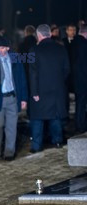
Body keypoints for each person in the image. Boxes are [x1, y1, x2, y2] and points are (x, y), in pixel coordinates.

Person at [0, 36, 28, 161]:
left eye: (3, 48)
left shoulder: (16, 58)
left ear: (8, 47)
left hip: (12, 97)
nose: (0, 51)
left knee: (11, 127)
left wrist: (23, 98)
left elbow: (22, 79)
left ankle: (9, 153)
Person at [29, 24, 70, 152]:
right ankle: (57, 141)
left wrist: (34, 92)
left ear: (39, 35)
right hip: (57, 89)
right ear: (50, 34)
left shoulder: (33, 50)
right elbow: (67, 70)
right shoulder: (61, 49)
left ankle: (36, 146)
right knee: (55, 117)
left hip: (40, 90)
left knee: (37, 119)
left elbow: (33, 73)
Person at [73, 24, 87, 134]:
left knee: (79, 103)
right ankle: (80, 125)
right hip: (83, 79)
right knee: (82, 104)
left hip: (76, 79)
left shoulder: (73, 43)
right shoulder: (83, 45)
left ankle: (79, 123)